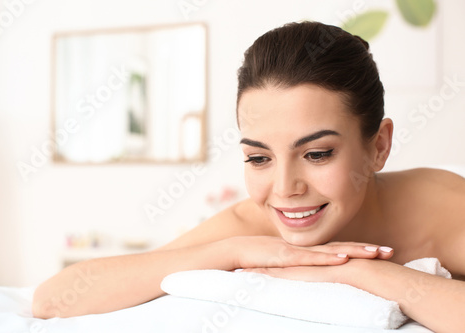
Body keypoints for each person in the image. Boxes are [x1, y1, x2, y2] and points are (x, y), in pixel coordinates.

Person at [32, 21, 465, 332]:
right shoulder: (248, 228)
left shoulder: (445, 211)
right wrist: (233, 252)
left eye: (316, 153)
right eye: (259, 159)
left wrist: (363, 273)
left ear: (379, 147)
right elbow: (53, 299)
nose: (284, 190)